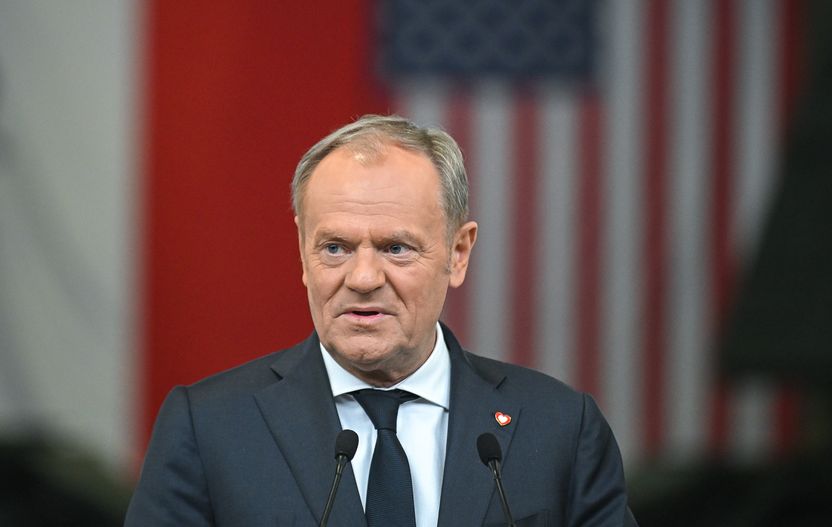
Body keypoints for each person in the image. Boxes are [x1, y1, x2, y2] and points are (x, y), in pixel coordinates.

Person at [125, 115, 639, 526]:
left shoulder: (560, 427)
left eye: (396, 247)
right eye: (335, 247)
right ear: (302, 253)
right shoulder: (209, 427)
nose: (364, 277)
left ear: (458, 253)